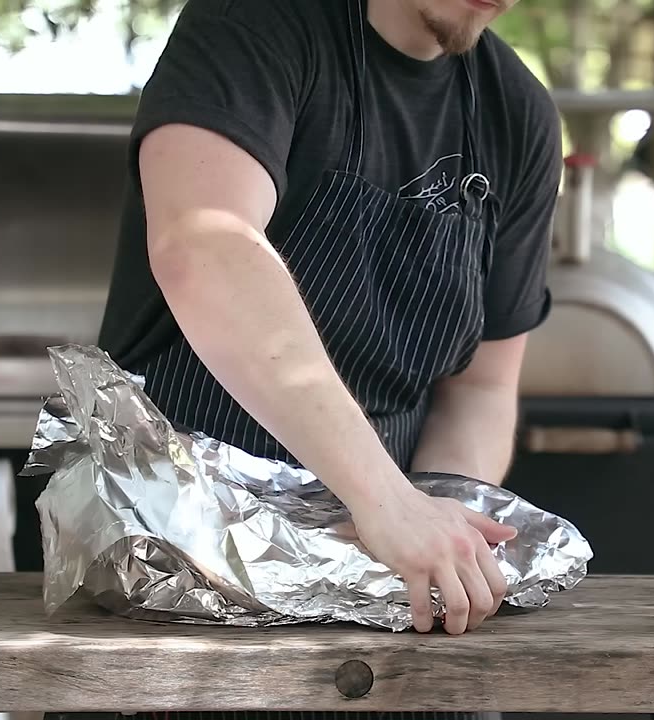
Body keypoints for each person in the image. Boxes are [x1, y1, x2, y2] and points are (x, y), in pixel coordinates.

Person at [96, 0, 562, 642]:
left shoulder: (516, 114)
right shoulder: (253, 26)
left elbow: (480, 390)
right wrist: (384, 500)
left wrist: (436, 527)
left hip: (387, 588)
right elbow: (204, 247)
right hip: (183, 568)